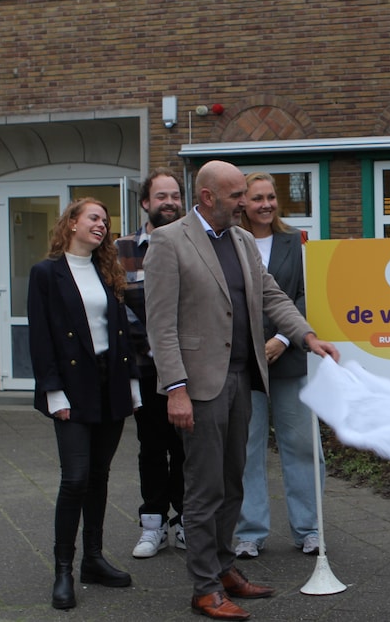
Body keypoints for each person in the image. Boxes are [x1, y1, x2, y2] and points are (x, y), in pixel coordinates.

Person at [144, 160, 340, 621]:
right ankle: (204, 587)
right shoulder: (169, 242)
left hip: (244, 377)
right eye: (236, 196)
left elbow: (272, 295)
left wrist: (308, 338)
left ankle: (225, 567)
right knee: (204, 488)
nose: (244, 203)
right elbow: (161, 323)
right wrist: (175, 389)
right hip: (199, 386)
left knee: (233, 482)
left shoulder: (242, 240)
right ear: (209, 196)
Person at [27, 198, 142, 610]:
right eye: (93, 218)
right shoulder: (46, 273)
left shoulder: (107, 270)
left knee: (99, 474)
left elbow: (120, 332)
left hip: (110, 382)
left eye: (104, 221)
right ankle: (63, 569)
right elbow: (40, 339)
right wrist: (53, 392)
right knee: (75, 477)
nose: (101, 225)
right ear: (71, 222)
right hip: (72, 387)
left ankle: (93, 560)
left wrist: (131, 383)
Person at [234, 172, 325, 559]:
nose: (266, 205)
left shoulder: (296, 243)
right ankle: (249, 532)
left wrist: (284, 339)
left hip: (290, 361)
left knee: (302, 446)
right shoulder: (229, 243)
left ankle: (309, 529)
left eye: (271, 197)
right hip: (243, 363)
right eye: (257, 198)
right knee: (246, 449)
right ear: (242, 203)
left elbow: (308, 296)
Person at [116, 167, 187, 559]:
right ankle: (153, 523)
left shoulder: (195, 244)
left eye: (175, 195)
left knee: (185, 449)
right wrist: (156, 348)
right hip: (145, 370)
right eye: (161, 196)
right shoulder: (121, 250)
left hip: (188, 371)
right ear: (145, 203)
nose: (169, 203)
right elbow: (119, 310)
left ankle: (184, 521)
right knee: (150, 447)